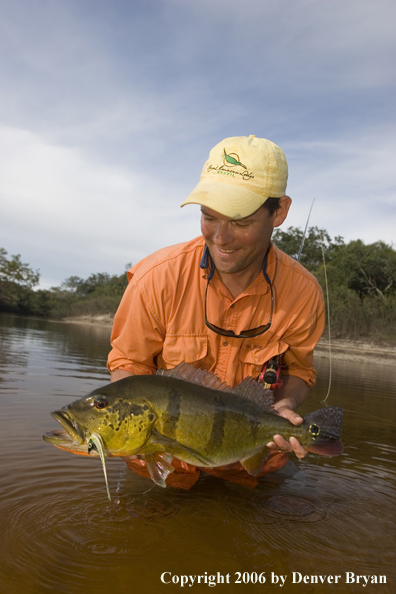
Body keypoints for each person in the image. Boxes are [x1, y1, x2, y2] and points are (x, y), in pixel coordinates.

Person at [107, 135, 325, 488]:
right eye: (209, 217)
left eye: (240, 222)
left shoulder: (304, 293)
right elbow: (128, 365)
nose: (221, 237)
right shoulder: (154, 279)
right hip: (166, 460)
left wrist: (285, 405)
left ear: (279, 212)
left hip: (252, 459)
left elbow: (300, 369)